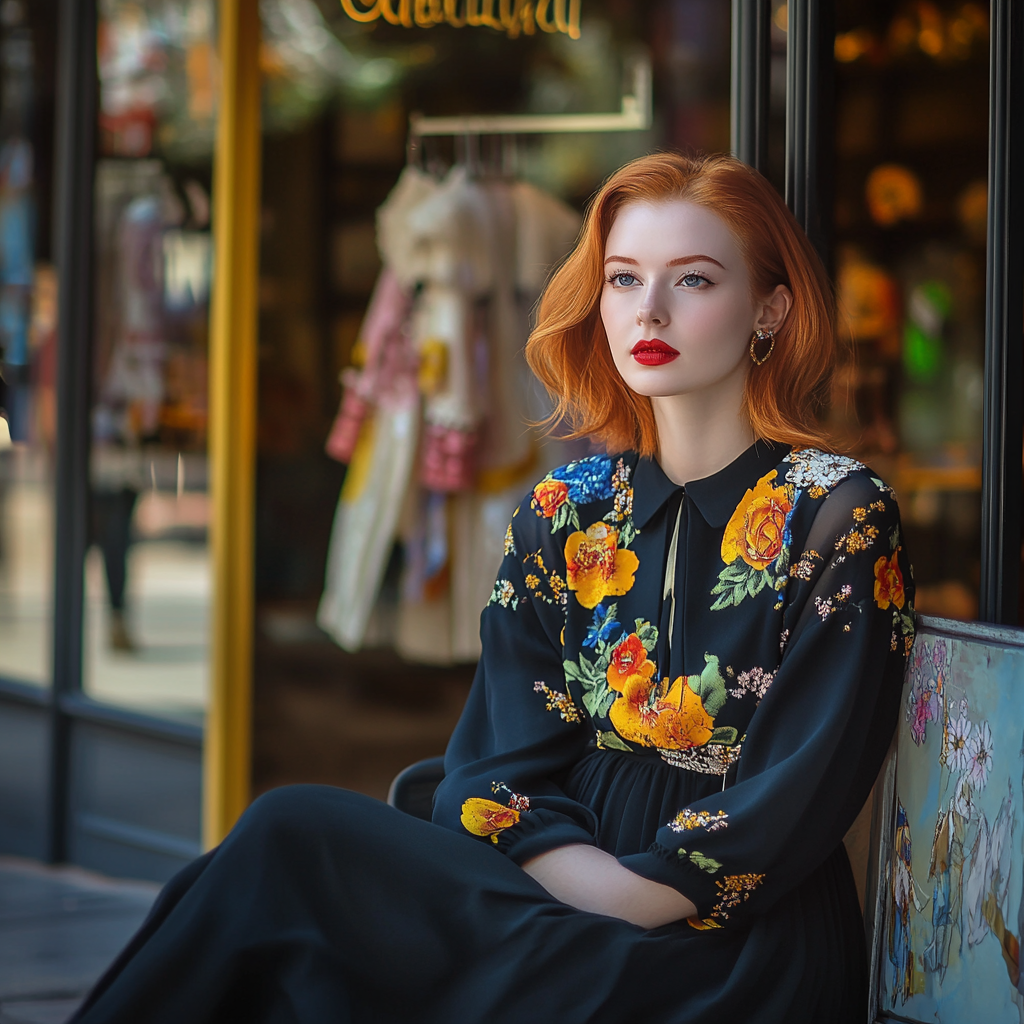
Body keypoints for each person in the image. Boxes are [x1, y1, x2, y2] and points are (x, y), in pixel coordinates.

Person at [71, 152, 914, 1024]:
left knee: (290, 897)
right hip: (560, 884)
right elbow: (497, 757)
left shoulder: (838, 513)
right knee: (282, 847)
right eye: (623, 280)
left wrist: (629, 894)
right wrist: (574, 877)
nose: (647, 312)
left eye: (693, 280)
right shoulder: (567, 508)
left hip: (727, 948)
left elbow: (802, 783)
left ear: (769, 307)